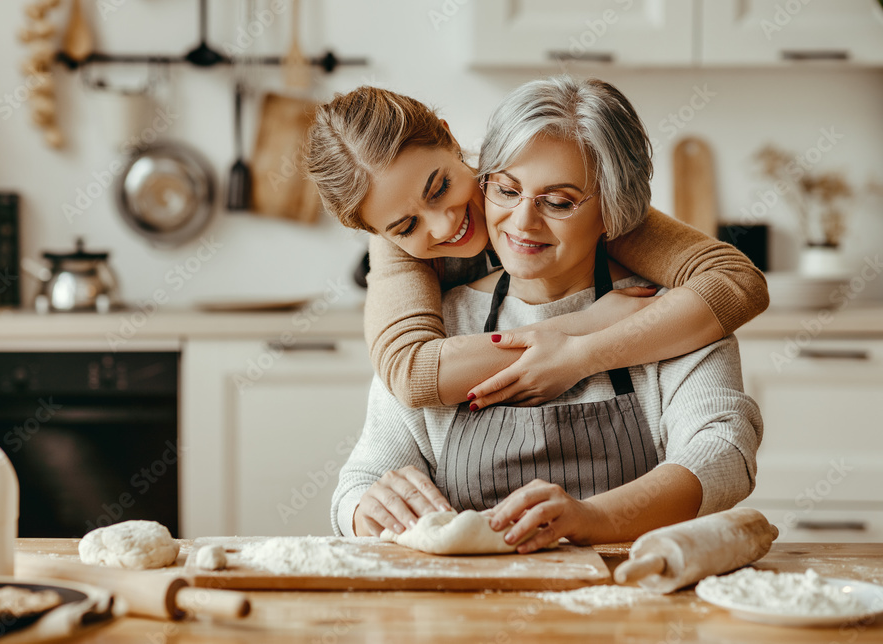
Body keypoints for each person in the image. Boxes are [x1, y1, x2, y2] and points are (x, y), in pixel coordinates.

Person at [329, 77, 762, 548]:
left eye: (558, 202)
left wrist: (592, 518)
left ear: (615, 213)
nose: (522, 222)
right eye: (507, 191)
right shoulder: (439, 326)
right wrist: (363, 508)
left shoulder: (671, 315)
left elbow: (723, 454)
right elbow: (363, 478)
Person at [305, 84, 768, 411]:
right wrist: (586, 324)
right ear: (378, 232)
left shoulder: (537, 188)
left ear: (450, 140)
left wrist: (588, 355)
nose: (445, 223)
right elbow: (412, 373)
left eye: (440, 186)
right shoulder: (393, 248)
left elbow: (736, 282)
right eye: (406, 225)